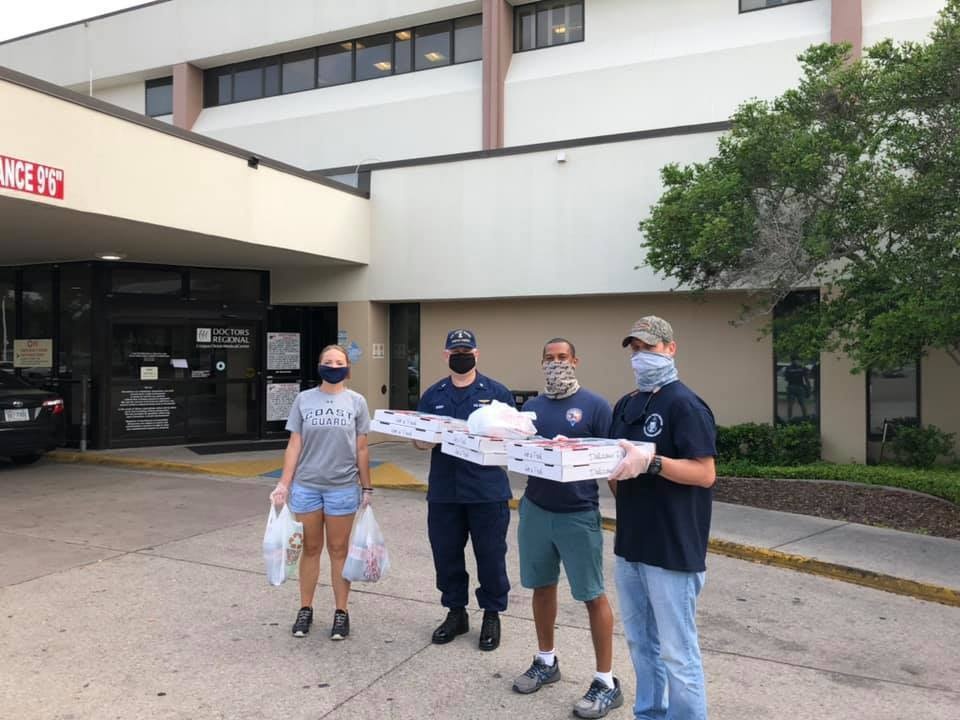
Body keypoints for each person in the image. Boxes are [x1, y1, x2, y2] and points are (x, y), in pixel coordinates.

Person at [607, 316, 717, 720]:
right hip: (631, 545)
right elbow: (617, 469)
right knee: (640, 642)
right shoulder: (626, 404)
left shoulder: (685, 404)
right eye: (635, 350)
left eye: (649, 348)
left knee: (677, 651)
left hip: (672, 549)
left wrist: (653, 463)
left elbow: (704, 473)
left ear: (670, 349)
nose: (641, 357)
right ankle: (650, 713)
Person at [511, 338, 623, 719]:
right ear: (541, 363)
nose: (556, 364)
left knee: (593, 595)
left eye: (562, 358)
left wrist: (627, 510)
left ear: (575, 360)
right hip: (536, 510)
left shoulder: (595, 406)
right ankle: (546, 660)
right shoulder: (532, 408)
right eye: (549, 359)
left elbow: (613, 463)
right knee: (542, 588)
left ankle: (606, 681)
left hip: (578, 513)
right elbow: (518, 452)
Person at [414, 328, 515, 651]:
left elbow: (514, 439)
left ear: (476, 353)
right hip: (445, 491)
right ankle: (455, 613)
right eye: (454, 351)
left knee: (490, 556)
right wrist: (427, 437)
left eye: (466, 350)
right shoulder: (433, 395)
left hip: (486, 491)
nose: (461, 355)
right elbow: (418, 440)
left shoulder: (497, 393)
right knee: (446, 555)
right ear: (446, 356)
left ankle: (491, 614)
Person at [269, 344, 372, 641]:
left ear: (347, 367)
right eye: (328, 361)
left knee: (339, 551)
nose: (333, 365)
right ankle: (306, 608)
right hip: (307, 487)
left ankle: (341, 612)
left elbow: (361, 448)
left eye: (339, 361)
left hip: (342, 487)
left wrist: (367, 488)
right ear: (319, 365)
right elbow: (294, 444)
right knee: (310, 549)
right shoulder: (304, 400)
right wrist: (283, 484)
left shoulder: (357, 402)